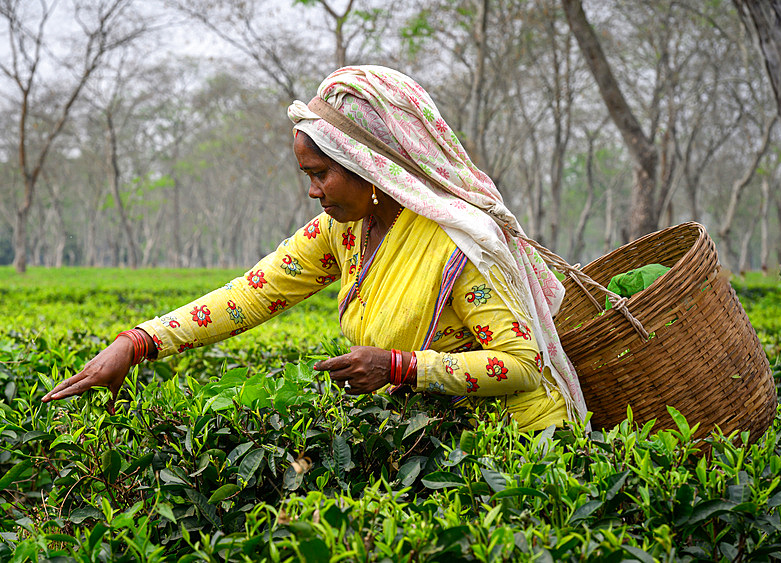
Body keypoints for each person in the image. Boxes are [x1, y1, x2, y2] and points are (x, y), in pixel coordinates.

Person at [42, 65, 587, 431]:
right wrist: (135, 345)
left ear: (369, 167)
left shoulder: (455, 244)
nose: (312, 190)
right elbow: (248, 297)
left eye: (321, 174)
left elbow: (521, 365)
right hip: (437, 438)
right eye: (307, 174)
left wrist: (401, 368)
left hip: (521, 449)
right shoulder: (343, 230)